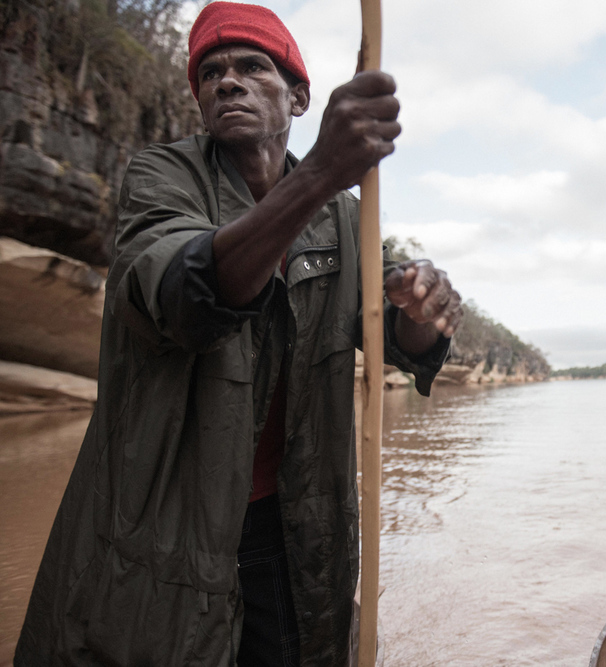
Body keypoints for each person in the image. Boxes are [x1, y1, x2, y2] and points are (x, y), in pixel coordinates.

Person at [14, 2, 461, 665]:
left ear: (299, 96)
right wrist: (317, 175)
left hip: (293, 531)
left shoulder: (345, 219)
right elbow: (186, 296)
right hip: (168, 536)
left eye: (253, 66)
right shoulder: (161, 179)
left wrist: (422, 313)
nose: (227, 81)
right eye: (211, 72)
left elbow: (400, 340)